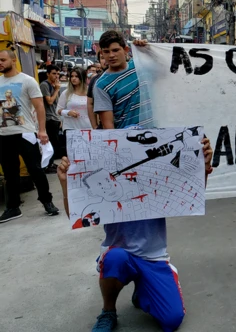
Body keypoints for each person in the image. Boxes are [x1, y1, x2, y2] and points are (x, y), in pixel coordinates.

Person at [58, 30, 212, 332]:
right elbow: (107, 125)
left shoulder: (142, 69)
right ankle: (108, 310)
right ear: (101, 54)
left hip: (156, 146)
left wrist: (150, 50)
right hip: (125, 149)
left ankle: (146, 291)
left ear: (125, 50)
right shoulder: (101, 85)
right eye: (106, 52)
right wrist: (69, 179)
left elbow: (174, 73)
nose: (111, 55)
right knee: (114, 258)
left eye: (117, 50)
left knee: (171, 321)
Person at [0, 49, 59, 222]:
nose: (0, 62)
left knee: (35, 169)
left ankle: (47, 201)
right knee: (10, 174)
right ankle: (13, 207)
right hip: (3, 134)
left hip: (25, 133)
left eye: (3, 59)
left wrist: (42, 130)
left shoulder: (27, 81)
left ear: (13, 60)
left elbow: (40, 107)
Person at [57, 67, 92, 141]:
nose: (73, 78)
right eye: (72, 76)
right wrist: (68, 112)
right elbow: (58, 110)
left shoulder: (90, 92)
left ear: (82, 78)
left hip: (88, 127)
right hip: (70, 127)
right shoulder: (66, 93)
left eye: (76, 76)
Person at [40, 65, 62, 172]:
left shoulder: (54, 85)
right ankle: (47, 165)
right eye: (54, 73)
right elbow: (49, 101)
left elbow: (58, 105)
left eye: (58, 74)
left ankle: (51, 163)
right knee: (51, 143)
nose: (56, 76)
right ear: (48, 74)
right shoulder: (45, 85)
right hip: (49, 118)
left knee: (55, 143)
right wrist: (57, 90)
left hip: (55, 118)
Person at [87, 50, 108, 129]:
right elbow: (90, 103)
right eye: (102, 58)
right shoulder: (96, 80)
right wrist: (94, 126)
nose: (105, 60)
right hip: (102, 126)